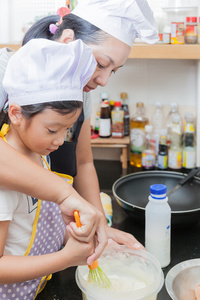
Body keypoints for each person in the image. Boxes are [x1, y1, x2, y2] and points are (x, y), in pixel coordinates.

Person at [0, 0, 159, 258]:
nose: (104, 79)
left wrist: (101, 228)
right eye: (99, 63)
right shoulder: (5, 72)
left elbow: (83, 162)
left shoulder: (81, 89)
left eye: (114, 71)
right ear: (68, 41)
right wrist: (64, 195)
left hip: (46, 236)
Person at [0, 38, 100, 300]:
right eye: (53, 130)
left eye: (67, 130)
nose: (60, 140)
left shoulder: (38, 152)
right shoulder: (5, 182)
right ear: (16, 114)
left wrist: (71, 238)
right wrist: (64, 259)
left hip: (38, 287)